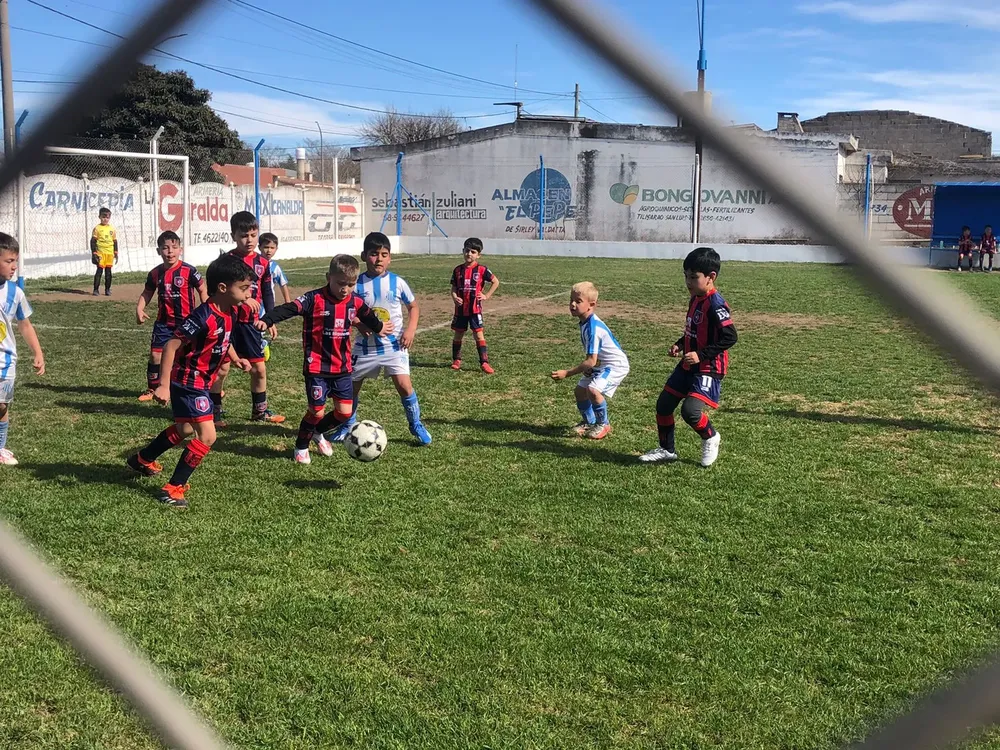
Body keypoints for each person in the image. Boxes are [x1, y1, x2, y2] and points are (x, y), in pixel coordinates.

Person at [126, 255, 255, 508]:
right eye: (244, 288)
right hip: (188, 381)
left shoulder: (230, 311)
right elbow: (171, 346)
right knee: (207, 436)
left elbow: (224, 340)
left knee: (185, 429)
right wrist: (162, 385)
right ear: (222, 288)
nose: (248, 293)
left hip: (201, 381)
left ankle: (142, 459)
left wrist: (236, 358)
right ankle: (173, 489)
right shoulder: (203, 316)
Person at [257, 254, 388, 464]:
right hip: (316, 366)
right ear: (329, 277)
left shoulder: (355, 301)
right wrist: (267, 319)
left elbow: (368, 315)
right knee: (316, 411)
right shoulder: (313, 299)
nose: (345, 289)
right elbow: (289, 308)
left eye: (351, 285)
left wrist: (379, 327)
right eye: (341, 283)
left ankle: (317, 433)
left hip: (342, 367)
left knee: (344, 413)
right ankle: (301, 446)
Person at [328, 232, 431, 445]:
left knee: (404, 385)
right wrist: (358, 323)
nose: (379, 259)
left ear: (390, 258)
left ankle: (416, 424)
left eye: (384, 254)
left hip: (394, 346)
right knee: (351, 387)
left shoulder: (397, 282)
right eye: (374, 254)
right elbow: (344, 309)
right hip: (364, 348)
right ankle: (348, 426)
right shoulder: (356, 285)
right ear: (364, 256)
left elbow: (413, 306)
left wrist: (410, 330)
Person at [640, 247, 738, 468]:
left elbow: (730, 336)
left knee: (690, 411)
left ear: (711, 277)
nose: (688, 282)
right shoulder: (695, 298)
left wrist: (701, 355)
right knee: (664, 404)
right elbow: (694, 330)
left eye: (694, 277)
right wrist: (680, 344)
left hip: (709, 367)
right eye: (686, 276)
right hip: (688, 364)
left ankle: (711, 437)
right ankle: (666, 449)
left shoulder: (716, 303)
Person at [210, 211, 284, 426]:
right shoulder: (226, 262)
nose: (249, 240)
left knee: (259, 368)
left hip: (252, 325)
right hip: (228, 322)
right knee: (222, 368)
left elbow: (268, 292)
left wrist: (270, 319)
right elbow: (219, 291)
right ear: (233, 236)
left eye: (253, 235)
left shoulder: (263, 263)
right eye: (244, 235)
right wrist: (241, 302)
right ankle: (214, 412)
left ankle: (259, 411)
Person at [550, 281, 629, 440]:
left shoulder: (593, 328)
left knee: (593, 390)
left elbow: (591, 361)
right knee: (580, 391)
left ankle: (603, 424)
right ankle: (589, 422)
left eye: (578, 301)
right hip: (601, 363)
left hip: (614, 366)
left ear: (591, 305)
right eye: (571, 300)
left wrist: (567, 373)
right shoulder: (585, 322)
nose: (572, 304)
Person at [136, 231, 208, 402]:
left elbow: (202, 289)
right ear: (158, 251)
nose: (170, 252)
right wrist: (139, 308)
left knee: (190, 358)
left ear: (180, 250)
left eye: (174, 248)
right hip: (163, 323)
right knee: (155, 356)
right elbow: (147, 292)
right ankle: (152, 389)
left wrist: (206, 309)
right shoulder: (155, 273)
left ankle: (202, 387)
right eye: (165, 248)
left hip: (187, 323)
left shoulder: (189, 270)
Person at [0, 234, 45, 466]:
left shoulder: (15, 292)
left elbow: (25, 324)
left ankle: (0, 447)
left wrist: (38, 352)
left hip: (5, 360)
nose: (14, 266)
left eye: (15, 261)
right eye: (9, 261)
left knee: (1, 405)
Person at [450, 237, 499, 373]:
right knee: (458, 334)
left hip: (475, 309)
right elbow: (453, 288)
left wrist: (486, 295)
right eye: (467, 251)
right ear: (463, 251)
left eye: (473, 252)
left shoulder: (482, 270)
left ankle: (484, 362)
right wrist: (455, 297)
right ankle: (456, 360)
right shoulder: (457, 270)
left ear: (478, 255)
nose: (469, 254)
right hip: (460, 310)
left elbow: (496, 282)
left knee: (478, 335)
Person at [91, 207, 118, 296]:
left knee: (108, 272)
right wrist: (94, 252)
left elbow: (114, 241)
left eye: (107, 217)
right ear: (99, 217)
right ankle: (96, 289)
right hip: (100, 253)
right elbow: (93, 241)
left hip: (109, 253)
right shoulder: (97, 228)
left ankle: (107, 289)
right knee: (99, 271)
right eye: (104, 217)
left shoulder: (112, 229)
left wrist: (116, 252)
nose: (105, 219)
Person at [259, 233, 292, 305]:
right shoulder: (255, 263)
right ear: (259, 247)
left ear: (276, 249)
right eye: (266, 247)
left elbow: (283, 284)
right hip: (255, 300)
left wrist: (288, 301)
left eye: (272, 248)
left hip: (268, 302)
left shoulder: (275, 267)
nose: (269, 250)